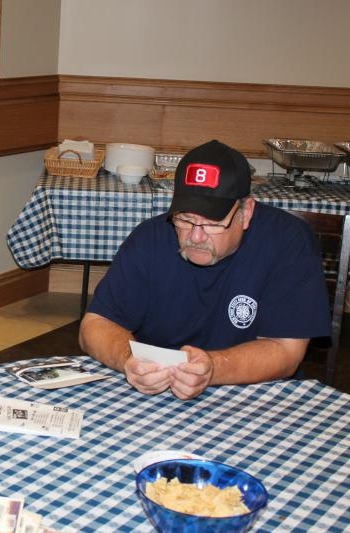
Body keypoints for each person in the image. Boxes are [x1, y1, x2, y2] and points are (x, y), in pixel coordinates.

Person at [79, 139, 331, 400]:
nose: (195, 237)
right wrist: (129, 359)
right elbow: (95, 324)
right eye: (185, 219)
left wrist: (212, 367)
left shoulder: (288, 241)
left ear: (246, 211)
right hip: (158, 395)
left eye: (212, 223)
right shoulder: (149, 238)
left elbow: (286, 351)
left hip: (253, 393)